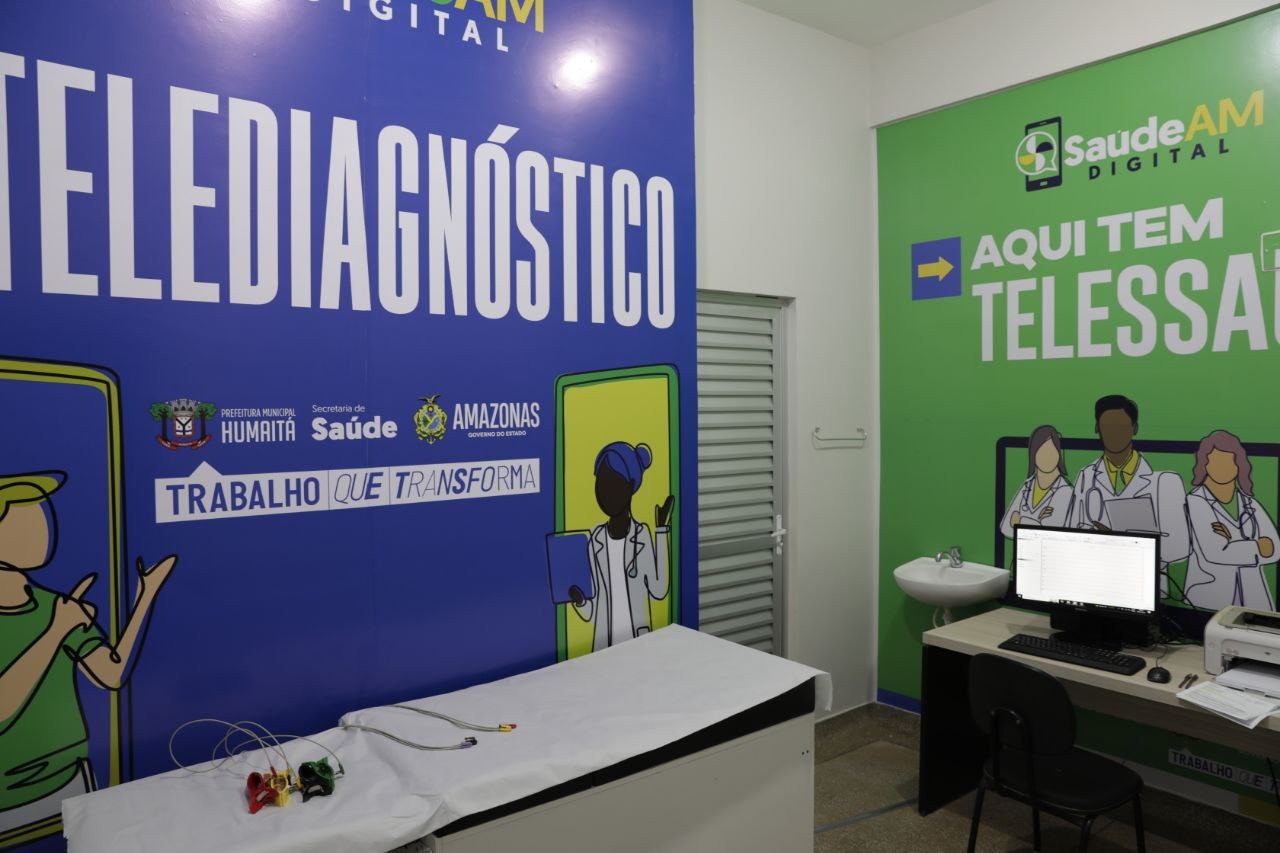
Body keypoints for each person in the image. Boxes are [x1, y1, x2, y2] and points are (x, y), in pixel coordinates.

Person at [0, 471, 177, 833]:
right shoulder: (59, 616)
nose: (43, 524)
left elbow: (111, 673)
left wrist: (145, 596)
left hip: (70, 780)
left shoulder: (54, 604)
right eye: (25, 514)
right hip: (9, 798)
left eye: (40, 510)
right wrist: (56, 632)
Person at [568, 443, 673, 652]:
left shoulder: (641, 535)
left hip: (638, 641)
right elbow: (593, 611)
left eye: (613, 484)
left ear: (630, 486)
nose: (604, 493)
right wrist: (580, 602)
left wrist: (661, 532)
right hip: (604, 646)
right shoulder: (595, 539)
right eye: (600, 484)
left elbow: (659, 589)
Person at [1067, 395, 1189, 568]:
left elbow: (1179, 550)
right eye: (1107, 427)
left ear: (1135, 428)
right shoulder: (1086, 476)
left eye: (1121, 427)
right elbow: (1071, 537)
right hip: (1097, 575)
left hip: (1145, 579)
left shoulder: (1165, 482)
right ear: (1097, 428)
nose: (1114, 434)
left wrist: (1118, 541)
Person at [1184, 431, 1278, 611]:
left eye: (1228, 462)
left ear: (1239, 464)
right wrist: (1257, 547)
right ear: (1204, 464)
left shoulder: (1249, 503)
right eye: (1216, 462)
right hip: (1209, 597)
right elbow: (1216, 552)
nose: (1222, 468)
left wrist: (1233, 542)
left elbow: (1275, 549)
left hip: (1253, 595)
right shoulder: (1195, 501)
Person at [1000, 425, 1074, 539]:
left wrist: (1020, 521)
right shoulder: (1027, 485)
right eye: (1042, 452)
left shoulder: (1065, 491)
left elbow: (1050, 534)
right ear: (1033, 455)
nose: (1047, 457)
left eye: (1051, 452)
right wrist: (1037, 521)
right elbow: (1006, 528)